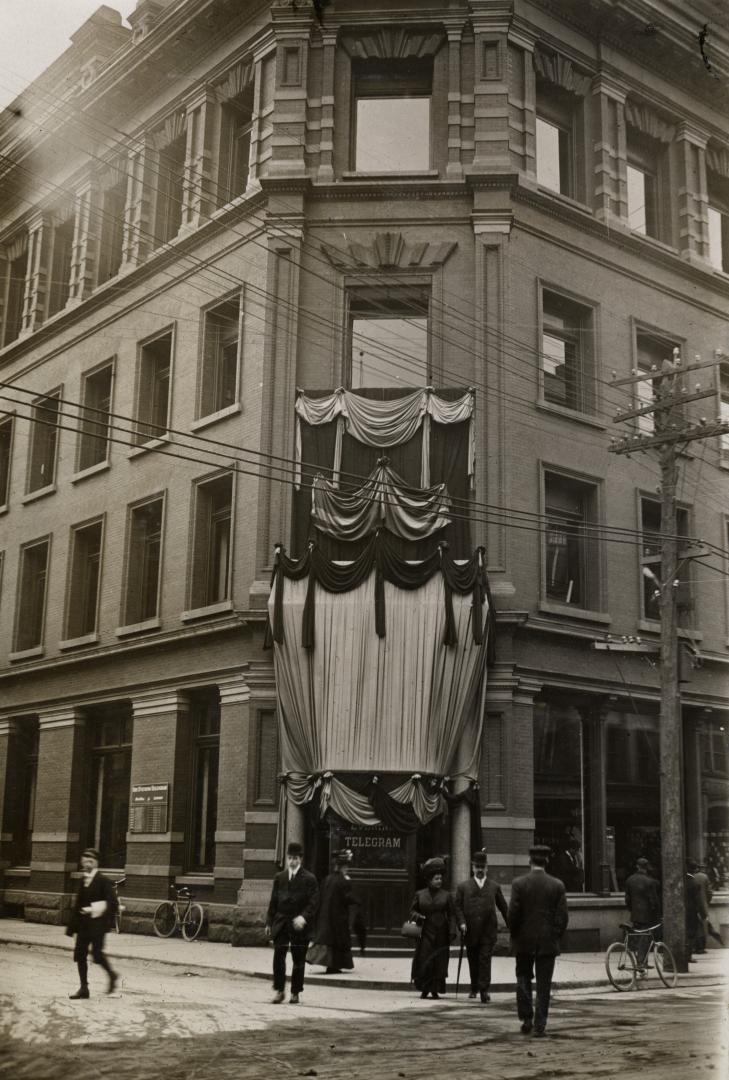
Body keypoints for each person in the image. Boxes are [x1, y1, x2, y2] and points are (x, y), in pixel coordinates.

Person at [508, 844, 568, 1037]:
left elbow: (513, 915)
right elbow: (562, 917)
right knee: (544, 985)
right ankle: (540, 1024)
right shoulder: (557, 885)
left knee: (523, 979)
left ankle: (526, 1019)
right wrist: (554, 935)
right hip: (547, 942)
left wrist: (516, 934)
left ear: (529, 861)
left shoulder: (519, 884)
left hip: (523, 941)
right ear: (547, 861)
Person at [265, 841, 319, 1004]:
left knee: (298, 959)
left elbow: (314, 902)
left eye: (295, 858)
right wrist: (269, 922)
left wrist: (304, 917)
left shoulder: (309, 879)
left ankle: (295, 992)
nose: (292, 861)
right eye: (290, 858)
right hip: (281, 922)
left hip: (299, 924)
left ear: (301, 859)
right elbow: (273, 901)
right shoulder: (279, 878)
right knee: (278, 957)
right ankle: (280, 990)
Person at [454, 851, 508, 1003]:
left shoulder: (494, 887)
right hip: (470, 930)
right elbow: (457, 907)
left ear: (487, 868)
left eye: (482, 867)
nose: (479, 870)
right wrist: (462, 923)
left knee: (484, 959)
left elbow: (504, 908)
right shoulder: (463, 887)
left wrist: (512, 925)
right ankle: (474, 987)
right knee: (473, 959)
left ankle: (484, 990)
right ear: (472, 867)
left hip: (487, 931)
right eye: (477, 866)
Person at [65, 848, 119, 1000]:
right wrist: (71, 927)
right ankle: (84, 988)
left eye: (90, 861)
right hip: (83, 925)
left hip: (98, 926)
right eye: (84, 861)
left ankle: (112, 976)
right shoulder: (83, 880)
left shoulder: (103, 881)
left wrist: (93, 908)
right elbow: (78, 904)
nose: (87, 864)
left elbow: (113, 903)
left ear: (96, 863)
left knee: (97, 955)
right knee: (80, 955)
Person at [409, 857, 456, 1000]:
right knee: (425, 960)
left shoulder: (446, 896)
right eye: (436, 879)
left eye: (441, 878)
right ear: (429, 880)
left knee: (439, 962)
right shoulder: (420, 894)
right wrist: (418, 917)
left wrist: (452, 931)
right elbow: (412, 911)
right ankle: (424, 989)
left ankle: (435, 990)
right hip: (425, 932)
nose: (439, 881)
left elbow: (452, 914)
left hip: (441, 933)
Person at [308, 848, 360, 973]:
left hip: (326, 916)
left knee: (329, 941)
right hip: (338, 917)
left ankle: (331, 966)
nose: (347, 869)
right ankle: (334, 966)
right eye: (346, 866)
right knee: (337, 941)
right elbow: (348, 898)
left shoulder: (327, 879)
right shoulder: (343, 881)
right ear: (342, 867)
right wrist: (357, 900)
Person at [624, 857, 661, 968]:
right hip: (647, 915)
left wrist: (632, 910)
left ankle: (640, 961)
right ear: (646, 868)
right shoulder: (649, 882)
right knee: (645, 939)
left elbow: (627, 899)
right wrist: (657, 914)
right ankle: (641, 962)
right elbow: (653, 900)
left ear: (637, 866)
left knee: (637, 937)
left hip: (635, 914)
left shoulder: (629, 880)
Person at [691, 861, 713, 953]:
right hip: (703, 904)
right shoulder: (704, 877)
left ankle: (695, 946)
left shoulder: (692, 877)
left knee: (695, 926)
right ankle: (701, 947)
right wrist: (707, 901)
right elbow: (709, 892)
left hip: (693, 905)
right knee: (703, 925)